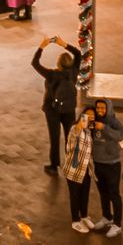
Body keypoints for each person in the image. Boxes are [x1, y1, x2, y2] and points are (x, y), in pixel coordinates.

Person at [33, 36, 82, 172]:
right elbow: (78, 53)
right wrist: (63, 44)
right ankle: (72, 164)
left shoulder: (51, 74)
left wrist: (42, 46)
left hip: (52, 110)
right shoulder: (74, 72)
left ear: (58, 63)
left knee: (54, 138)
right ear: (71, 63)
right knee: (70, 136)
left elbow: (35, 63)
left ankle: (54, 166)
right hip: (69, 109)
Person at [89, 97, 123, 234]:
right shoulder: (93, 120)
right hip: (98, 163)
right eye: (98, 108)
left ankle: (117, 224)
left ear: (108, 109)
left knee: (114, 193)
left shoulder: (114, 122)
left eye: (102, 108)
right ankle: (106, 217)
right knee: (102, 192)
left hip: (112, 164)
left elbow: (120, 136)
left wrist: (104, 128)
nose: (100, 110)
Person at [63, 106, 99, 230]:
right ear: (82, 116)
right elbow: (73, 138)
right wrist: (82, 122)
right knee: (75, 195)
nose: (90, 118)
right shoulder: (75, 128)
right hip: (73, 170)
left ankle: (84, 216)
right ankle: (75, 221)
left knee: (85, 194)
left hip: (85, 170)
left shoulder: (89, 131)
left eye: (92, 116)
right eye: (87, 115)